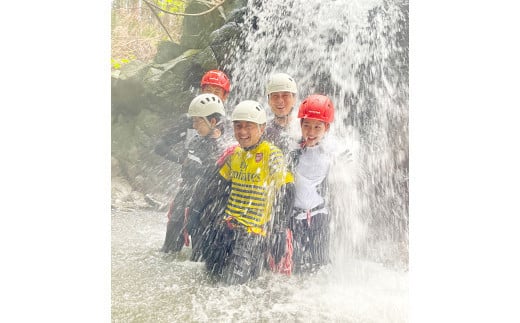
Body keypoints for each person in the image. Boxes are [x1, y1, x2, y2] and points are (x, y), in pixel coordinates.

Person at [189, 100, 295, 285]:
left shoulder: (271, 154)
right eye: (238, 126)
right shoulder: (235, 155)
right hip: (227, 228)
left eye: (249, 127)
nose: (243, 132)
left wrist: (279, 229)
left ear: (262, 128)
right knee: (209, 277)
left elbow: (288, 190)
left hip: (252, 234)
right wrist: (196, 212)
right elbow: (215, 185)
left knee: (234, 285)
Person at [160, 93, 227, 254]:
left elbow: (216, 182)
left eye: (198, 121)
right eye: (194, 120)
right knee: (168, 251)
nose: (194, 126)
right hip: (184, 198)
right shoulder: (197, 140)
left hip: (203, 206)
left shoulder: (222, 148)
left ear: (212, 122)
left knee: (199, 258)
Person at [286, 94, 335, 274]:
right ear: (300, 125)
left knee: (320, 263)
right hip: (296, 218)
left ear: (326, 128)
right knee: (296, 264)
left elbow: (349, 166)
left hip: (319, 216)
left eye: (317, 127)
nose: (311, 132)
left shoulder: (331, 151)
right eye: (306, 125)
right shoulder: (294, 149)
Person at [154, 69, 231, 163]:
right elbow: (160, 146)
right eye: (208, 91)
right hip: (192, 174)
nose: (212, 95)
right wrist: (183, 161)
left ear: (225, 96)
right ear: (202, 92)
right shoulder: (188, 120)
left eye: (217, 92)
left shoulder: (230, 124)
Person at [263, 72, 300, 154]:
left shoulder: (304, 129)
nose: (280, 101)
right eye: (275, 96)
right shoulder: (262, 131)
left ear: (294, 99)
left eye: (285, 96)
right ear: (269, 101)